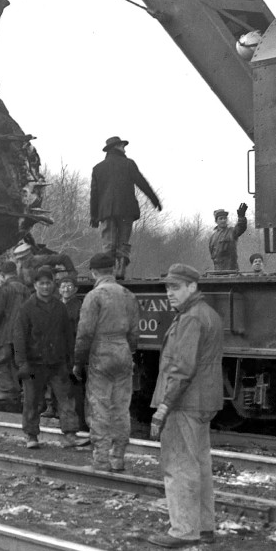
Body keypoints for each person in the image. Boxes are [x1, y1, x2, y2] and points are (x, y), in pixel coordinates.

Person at [148, 263, 223, 548]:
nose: (170, 293)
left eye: (175, 287)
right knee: (200, 463)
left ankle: (183, 529)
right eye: (167, 287)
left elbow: (181, 369)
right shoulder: (208, 314)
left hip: (184, 402)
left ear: (192, 287)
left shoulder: (191, 318)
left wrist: (164, 406)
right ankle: (204, 527)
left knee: (179, 464)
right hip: (202, 401)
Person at [73, 253, 141, 471]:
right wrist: (128, 352)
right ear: (113, 270)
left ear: (94, 272)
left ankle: (100, 460)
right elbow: (135, 333)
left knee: (99, 406)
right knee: (121, 407)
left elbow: (84, 333)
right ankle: (118, 457)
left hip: (101, 353)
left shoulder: (94, 296)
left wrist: (78, 361)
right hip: (123, 351)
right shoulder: (128, 295)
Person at [13, 267, 81, 449]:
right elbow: (19, 337)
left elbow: (68, 336)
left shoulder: (60, 308)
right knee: (32, 401)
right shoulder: (26, 309)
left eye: (48, 283)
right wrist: (22, 363)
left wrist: (70, 361)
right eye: (41, 283)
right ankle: (31, 435)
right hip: (34, 363)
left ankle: (70, 434)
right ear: (35, 285)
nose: (45, 287)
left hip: (57, 362)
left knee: (65, 399)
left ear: (53, 284)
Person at [89, 136, 162, 280]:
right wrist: (154, 199)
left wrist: (93, 216)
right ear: (116, 147)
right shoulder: (128, 164)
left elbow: (94, 194)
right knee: (123, 241)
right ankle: (121, 266)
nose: (124, 148)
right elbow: (142, 182)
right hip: (126, 211)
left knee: (108, 244)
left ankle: (108, 274)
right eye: (123, 146)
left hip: (106, 212)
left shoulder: (98, 168)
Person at [0, 260, 28, 408]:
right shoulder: (25, 289)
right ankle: (15, 393)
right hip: (20, 334)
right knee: (12, 364)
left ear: (2, 275)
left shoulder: (4, 290)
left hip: (3, 334)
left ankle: (7, 391)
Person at [57, 275, 88, 433]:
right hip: (57, 352)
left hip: (71, 352)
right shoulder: (56, 305)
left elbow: (79, 332)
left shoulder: (78, 306)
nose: (66, 289)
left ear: (75, 289)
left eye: (69, 286)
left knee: (74, 391)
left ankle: (79, 424)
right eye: (63, 286)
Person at [209, 204, 249, 272]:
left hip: (231, 271)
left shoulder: (232, 232)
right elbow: (212, 255)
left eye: (225, 218)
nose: (223, 220)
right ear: (216, 221)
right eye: (221, 218)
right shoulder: (212, 237)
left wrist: (241, 217)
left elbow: (241, 227)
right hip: (217, 272)